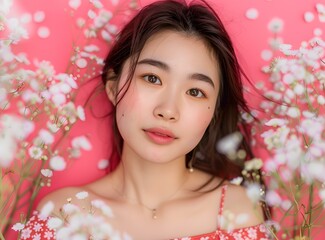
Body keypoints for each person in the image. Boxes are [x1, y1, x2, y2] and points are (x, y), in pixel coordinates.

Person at [21, 0, 270, 239]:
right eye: (152, 78)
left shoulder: (237, 210)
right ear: (112, 86)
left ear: (213, 112)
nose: (168, 110)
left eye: (195, 92)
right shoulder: (61, 217)